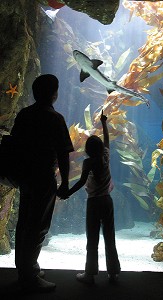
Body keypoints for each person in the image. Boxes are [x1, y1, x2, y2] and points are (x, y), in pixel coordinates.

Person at [11, 74, 74, 292]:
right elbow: (64, 153)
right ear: (53, 94)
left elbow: (14, 145)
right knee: (38, 226)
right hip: (44, 177)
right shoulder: (54, 118)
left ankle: (26, 268)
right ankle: (29, 276)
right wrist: (65, 182)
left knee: (24, 222)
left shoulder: (24, 114)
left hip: (26, 177)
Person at [66, 110, 120, 284]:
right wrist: (104, 123)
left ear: (87, 150)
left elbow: (82, 182)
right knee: (109, 236)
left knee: (93, 238)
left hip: (94, 203)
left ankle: (90, 274)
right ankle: (113, 273)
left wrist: (67, 192)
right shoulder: (105, 157)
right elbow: (107, 142)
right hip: (107, 201)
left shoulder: (88, 162)